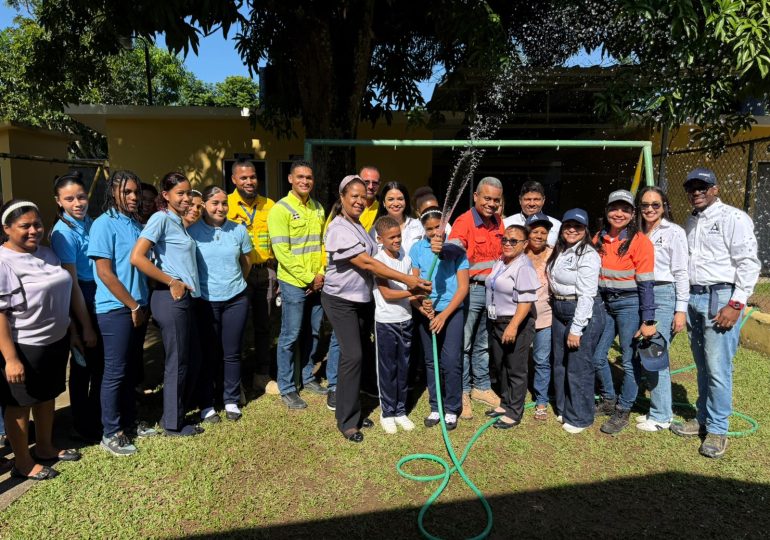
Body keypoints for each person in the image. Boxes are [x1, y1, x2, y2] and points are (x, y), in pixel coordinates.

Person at [321, 175, 430, 443]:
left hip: (360, 301)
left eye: (362, 196)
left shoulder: (357, 224)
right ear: (342, 198)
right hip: (340, 300)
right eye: (353, 196)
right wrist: (408, 281)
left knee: (359, 357)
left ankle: (354, 411)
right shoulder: (338, 228)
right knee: (353, 356)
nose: (359, 200)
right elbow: (367, 264)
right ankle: (347, 421)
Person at [671, 168, 760, 458]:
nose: (696, 192)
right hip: (696, 297)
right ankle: (702, 418)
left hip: (720, 296)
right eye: (692, 188)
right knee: (702, 365)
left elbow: (748, 263)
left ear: (715, 189)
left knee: (718, 367)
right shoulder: (692, 221)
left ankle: (718, 430)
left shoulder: (733, 218)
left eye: (702, 187)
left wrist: (735, 303)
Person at [0, 199, 83, 480]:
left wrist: (71, 330)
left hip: (55, 341)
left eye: (37, 224)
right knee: (19, 406)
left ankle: (46, 447)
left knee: (47, 397)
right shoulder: (3, 261)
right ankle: (23, 463)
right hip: (23, 346)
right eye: (25, 226)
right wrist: (10, 359)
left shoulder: (47, 253)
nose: (33, 230)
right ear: (7, 228)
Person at [131, 172, 204, 436]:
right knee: (178, 361)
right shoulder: (160, 218)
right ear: (166, 196)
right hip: (168, 297)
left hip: (186, 299)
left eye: (188, 193)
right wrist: (172, 281)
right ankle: (172, 423)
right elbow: (138, 257)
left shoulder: (179, 223)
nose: (186, 198)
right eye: (180, 194)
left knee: (191, 357)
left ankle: (180, 409)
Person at [90, 171, 156, 456]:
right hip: (116, 309)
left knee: (130, 370)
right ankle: (110, 431)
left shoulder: (134, 223)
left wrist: (140, 305)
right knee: (115, 372)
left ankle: (130, 422)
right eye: (126, 192)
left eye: (136, 192)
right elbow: (104, 272)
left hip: (137, 306)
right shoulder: (104, 224)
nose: (133, 197)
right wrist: (132, 305)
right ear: (112, 192)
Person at [592, 189, 656, 435]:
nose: (619, 213)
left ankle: (624, 409)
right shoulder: (599, 238)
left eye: (625, 209)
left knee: (629, 361)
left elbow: (647, 283)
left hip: (629, 304)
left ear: (632, 214)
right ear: (607, 211)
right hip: (605, 303)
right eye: (614, 208)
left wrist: (648, 318)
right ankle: (609, 399)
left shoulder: (640, 241)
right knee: (599, 356)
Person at [267, 160, 329, 410]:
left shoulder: (317, 208)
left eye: (309, 177)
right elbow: (282, 252)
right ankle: (287, 386)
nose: (305, 181)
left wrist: (320, 274)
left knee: (314, 332)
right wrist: (308, 277)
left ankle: (307, 376)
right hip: (294, 282)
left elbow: (322, 245)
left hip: (317, 281)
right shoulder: (280, 210)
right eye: (300, 177)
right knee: (290, 335)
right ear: (291, 179)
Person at [189, 186, 252, 422]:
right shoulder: (192, 232)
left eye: (224, 203)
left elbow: (246, 262)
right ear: (204, 204)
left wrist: (234, 284)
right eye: (215, 203)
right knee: (208, 354)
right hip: (206, 301)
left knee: (232, 352)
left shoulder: (238, 230)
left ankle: (231, 399)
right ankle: (206, 403)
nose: (221, 208)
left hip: (236, 299)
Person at [447, 177, 504, 419]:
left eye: (496, 200)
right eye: (487, 198)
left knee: (483, 343)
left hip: (492, 291)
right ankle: (463, 391)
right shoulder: (464, 222)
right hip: (470, 290)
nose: (491, 204)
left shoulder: (498, 223)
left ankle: (481, 387)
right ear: (476, 197)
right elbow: (453, 251)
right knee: (465, 343)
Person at [50, 172, 102, 441]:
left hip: (97, 292)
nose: (77, 203)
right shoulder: (63, 233)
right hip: (81, 297)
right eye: (69, 199)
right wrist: (84, 326)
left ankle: (97, 416)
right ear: (58, 202)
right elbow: (72, 285)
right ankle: (83, 424)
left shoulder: (89, 223)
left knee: (99, 365)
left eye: (81, 197)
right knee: (84, 367)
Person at [634, 186, 689, 432]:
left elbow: (681, 272)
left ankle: (660, 416)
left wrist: (680, 310)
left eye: (655, 205)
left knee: (655, 353)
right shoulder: (636, 231)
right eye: (645, 205)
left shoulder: (674, 232)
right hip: (639, 291)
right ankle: (655, 408)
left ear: (664, 206)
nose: (650, 209)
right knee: (645, 349)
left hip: (663, 292)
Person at [547, 209, 604, 433]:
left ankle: (580, 417)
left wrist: (577, 328)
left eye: (577, 227)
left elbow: (587, 295)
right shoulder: (561, 250)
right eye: (568, 225)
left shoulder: (588, 254)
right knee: (560, 363)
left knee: (578, 366)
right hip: (559, 308)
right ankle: (563, 408)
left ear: (585, 230)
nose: (572, 230)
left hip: (580, 310)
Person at [411, 207, 468, 430]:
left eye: (439, 227)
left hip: (451, 312)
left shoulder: (455, 248)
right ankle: (436, 406)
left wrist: (444, 315)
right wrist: (421, 304)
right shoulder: (417, 249)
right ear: (423, 230)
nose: (435, 232)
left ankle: (452, 407)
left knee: (451, 360)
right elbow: (414, 284)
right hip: (428, 312)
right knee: (430, 360)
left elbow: (463, 287)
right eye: (430, 229)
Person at [227, 159, 276, 392]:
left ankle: (262, 374)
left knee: (264, 325)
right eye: (243, 177)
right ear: (234, 179)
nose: (249, 181)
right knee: (236, 326)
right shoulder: (224, 205)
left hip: (266, 272)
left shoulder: (270, 205)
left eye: (253, 177)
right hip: (237, 273)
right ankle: (236, 378)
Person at [484, 225, 539, 429]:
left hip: (515, 322)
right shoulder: (502, 260)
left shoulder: (523, 266)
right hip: (496, 321)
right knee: (501, 365)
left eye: (513, 241)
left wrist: (513, 326)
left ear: (525, 244)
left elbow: (525, 301)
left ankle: (514, 411)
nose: (507, 243)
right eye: (505, 239)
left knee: (516, 368)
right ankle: (506, 403)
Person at [373, 216, 417, 433]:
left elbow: (411, 295)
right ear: (380, 239)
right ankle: (387, 412)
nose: (397, 240)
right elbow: (388, 294)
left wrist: (420, 302)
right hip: (386, 322)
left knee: (403, 367)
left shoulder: (405, 258)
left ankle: (400, 410)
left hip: (405, 320)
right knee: (388, 368)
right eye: (392, 237)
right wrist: (414, 290)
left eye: (398, 235)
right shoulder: (378, 260)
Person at [524, 213, 554, 420]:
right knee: (516, 358)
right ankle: (512, 395)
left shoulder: (555, 254)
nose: (539, 236)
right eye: (535, 231)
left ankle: (541, 399)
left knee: (541, 359)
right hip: (521, 315)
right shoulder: (518, 253)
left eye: (544, 232)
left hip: (546, 314)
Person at [371, 181, 424, 256]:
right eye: (391, 199)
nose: (396, 204)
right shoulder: (375, 231)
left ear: (406, 201)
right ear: (383, 203)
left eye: (400, 199)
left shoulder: (418, 226)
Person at [503, 181, 561, 246]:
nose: (532, 204)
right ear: (520, 200)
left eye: (536, 199)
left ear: (543, 200)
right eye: (527, 199)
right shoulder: (506, 224)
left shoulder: (556, 225)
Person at [358, 165, 381, 233]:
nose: (370, 187)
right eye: (366, 182)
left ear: (380, 184)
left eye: (375, 183)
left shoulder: (384, 209)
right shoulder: (344, 207)